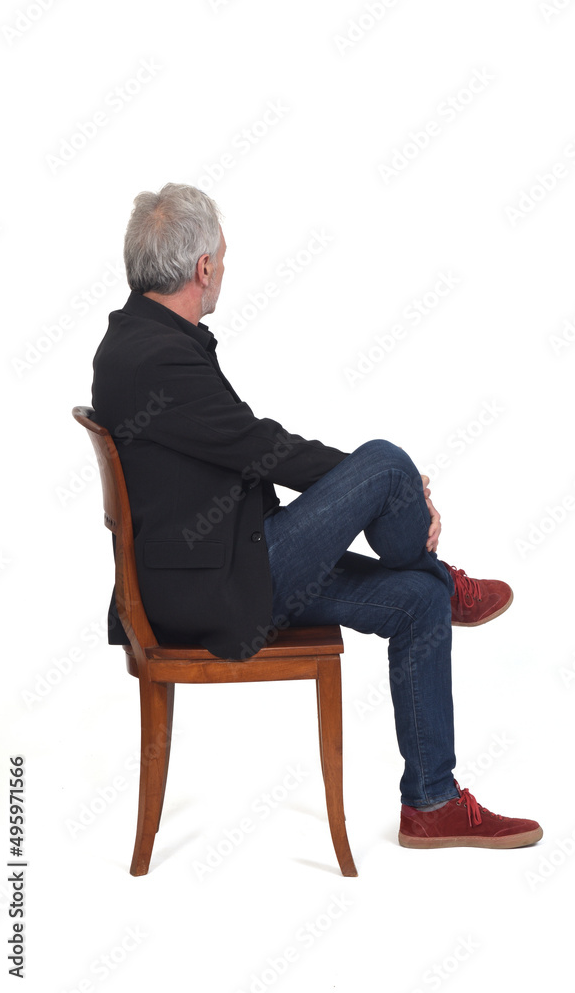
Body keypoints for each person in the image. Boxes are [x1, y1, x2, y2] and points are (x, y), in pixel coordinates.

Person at [91, 183, 542, 851]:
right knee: (386, 463)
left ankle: (431, 802)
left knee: (415, 599)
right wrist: (393, 491)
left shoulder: (139, 338)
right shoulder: (157, 358)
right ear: (202, 268)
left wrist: (382, 494)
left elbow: (240, 449)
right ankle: (444, 575)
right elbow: (259, 448)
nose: (223, 268)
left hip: (220, 562)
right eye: (223, 257)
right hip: (214, 587)